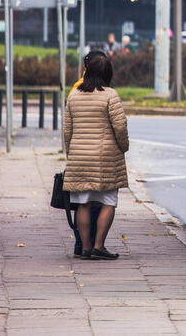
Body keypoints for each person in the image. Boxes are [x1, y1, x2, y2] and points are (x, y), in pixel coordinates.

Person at [63, 52, 129, 260]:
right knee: (108, 201)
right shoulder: (110, 95)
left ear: (87, 71)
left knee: (83, 203)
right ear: (108, 74)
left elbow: (67, 131)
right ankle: (99, 246)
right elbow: (120, 127)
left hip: (79, 158)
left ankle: (85, 248)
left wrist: (71, 153)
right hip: (105, 159)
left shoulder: (74, 96)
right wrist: (124, 147)